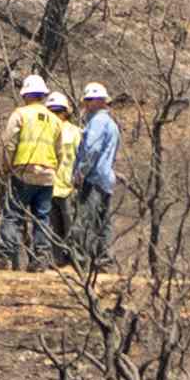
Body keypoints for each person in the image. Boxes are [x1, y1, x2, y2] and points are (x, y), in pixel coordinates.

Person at [2, 77, 77, 265]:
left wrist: (6, 167)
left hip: (23, 173)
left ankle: (6, 257)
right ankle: (40, 260)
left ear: (25, 94)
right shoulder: (55, 121)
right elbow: (60, 152)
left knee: (13, 215)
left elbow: (9, 144)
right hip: (47, 176)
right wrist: (52, 170)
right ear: (43, 95)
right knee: (42, 218)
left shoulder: (20, 114)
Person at [72, 82, 123, 263]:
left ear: (98, 101)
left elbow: (91, 149)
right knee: (103, 222)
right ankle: (103, 259)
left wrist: (80, 172)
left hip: (93, 178)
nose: (86, 105)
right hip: (106, 179)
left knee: (84, 220)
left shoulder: (97, 122)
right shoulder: (111, 124)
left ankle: (79, 260)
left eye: (88, 101)